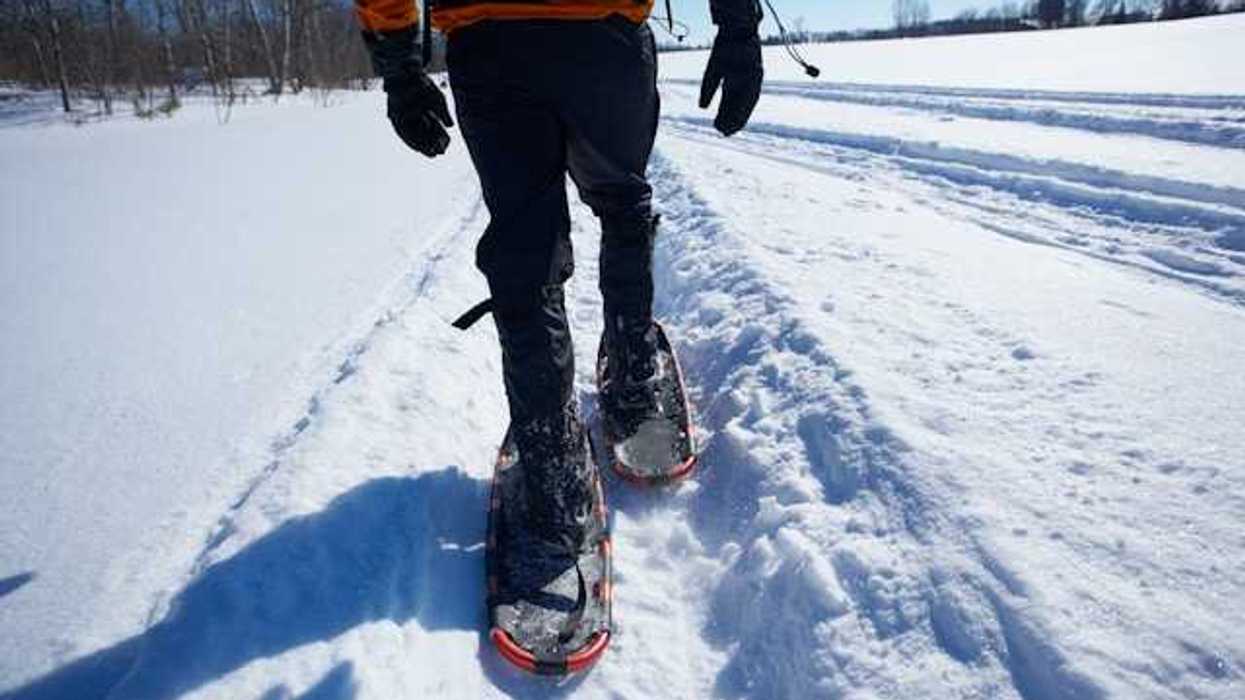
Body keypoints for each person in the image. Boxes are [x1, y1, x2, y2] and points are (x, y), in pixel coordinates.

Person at [353, 0, 762, 637]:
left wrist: (401, 65)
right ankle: (632, 381)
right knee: (622, 205)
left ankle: (552, 481)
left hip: (491, 45)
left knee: (525, 251)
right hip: (603, 38)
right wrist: (737, 24)